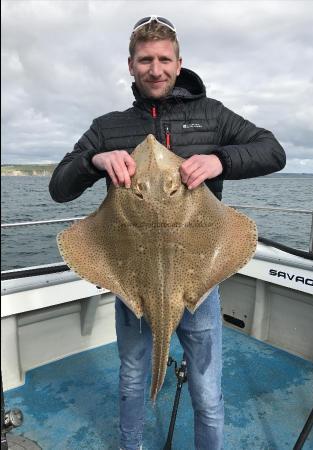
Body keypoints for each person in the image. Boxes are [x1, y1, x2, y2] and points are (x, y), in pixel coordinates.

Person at [49, 15, 286, 450]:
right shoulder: (108, 127)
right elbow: (58, 187)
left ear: (179, 64)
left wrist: (221, 161)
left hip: (199, 281)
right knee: (133, 378)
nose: (154, 69)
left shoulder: (211, 116)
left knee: (207, 395)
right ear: (131, 65)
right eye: (145, 60)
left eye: (163, 59)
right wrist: (94, 161)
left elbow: (273, 151)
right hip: (132, 282)